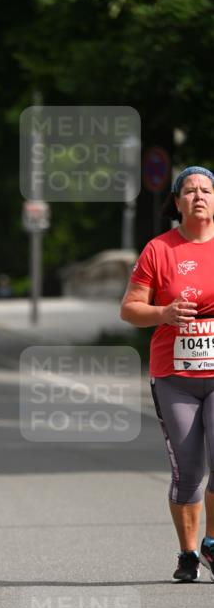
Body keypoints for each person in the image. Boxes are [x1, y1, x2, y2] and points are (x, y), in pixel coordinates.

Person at [120, 165, 214, 582]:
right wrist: (165, 313)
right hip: (174, 377)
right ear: (176, 202)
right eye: (189, 191)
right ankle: (188, 552)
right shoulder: (160, 250)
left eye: (206, 190)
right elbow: (130, 309)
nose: (198, 196)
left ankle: (212, 545)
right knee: (189, 470)